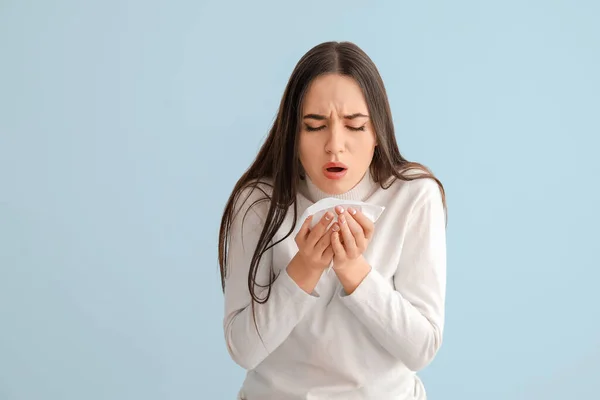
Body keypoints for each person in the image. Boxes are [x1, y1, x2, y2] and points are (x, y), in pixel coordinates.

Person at [218, 41, 447, 400]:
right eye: (314, 126)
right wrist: (305, 268)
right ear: (293, 135)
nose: (334, 145)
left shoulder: (415, 196)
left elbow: (421, 348)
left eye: (355, 126)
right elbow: (243, 349)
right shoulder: (258, 203)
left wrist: (354, 270)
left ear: (376, 134)